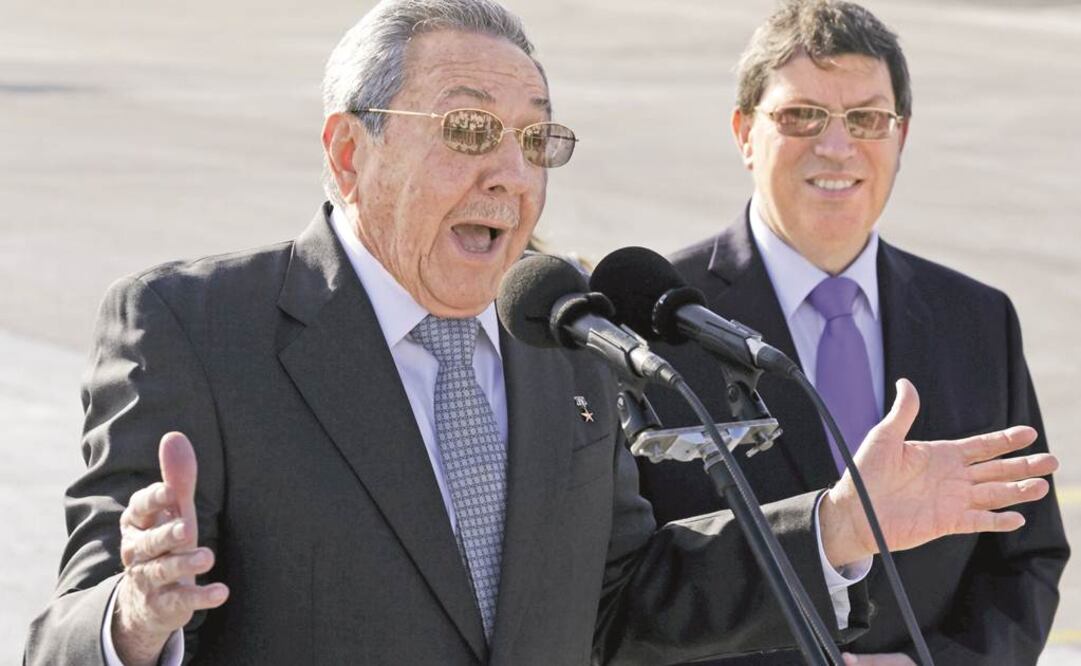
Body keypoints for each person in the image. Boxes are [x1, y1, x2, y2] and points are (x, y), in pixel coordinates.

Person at [25, 0, 1056, 664]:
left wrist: (833, 525)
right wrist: (134, 621)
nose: (511, 174)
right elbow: (63, 631)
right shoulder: (196, 330)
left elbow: (629, 598)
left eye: (534, 140)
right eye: (468, 132)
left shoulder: (562, 342)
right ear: (348, 153)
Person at [637, 1, 1070, 665]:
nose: (835, 146)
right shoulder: (651, 316)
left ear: (900, 137)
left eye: (866, 119)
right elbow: (627, 576)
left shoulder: (976, 319)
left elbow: (1024, 556)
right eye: (800, 115)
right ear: (743, 132)